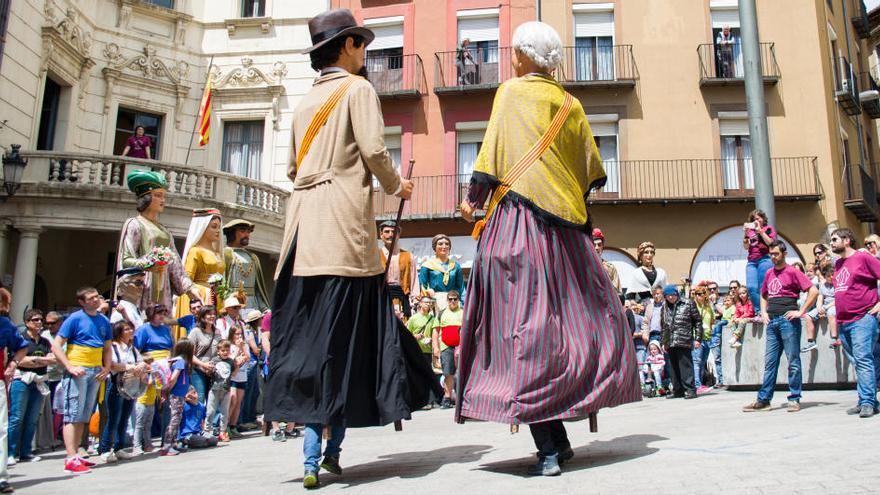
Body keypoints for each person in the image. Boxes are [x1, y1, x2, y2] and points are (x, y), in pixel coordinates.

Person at [456, 21, 640, 477]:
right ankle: (557, 436)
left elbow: (492, 151)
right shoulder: (571, 104)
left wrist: (473, 201)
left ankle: (550, 448)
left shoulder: (511, 93)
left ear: (522, 55)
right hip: (569, 231)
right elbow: (589, 170)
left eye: (513, 52)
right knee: (566, 329)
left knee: (523, 330)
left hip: (518, 225)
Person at [266, 9, 438, 489]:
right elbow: (374, 150)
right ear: (345, 47)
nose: (365, 51)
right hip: (342, 233)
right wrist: (397, 186)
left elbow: (291, 169)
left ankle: (308, 455)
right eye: (361, 43)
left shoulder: (305, 103)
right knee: (348, 343)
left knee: (309, 342)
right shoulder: (358, 90)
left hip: (301, 234)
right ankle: (330, 455)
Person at [743, 241, 817, 413]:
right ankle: (764, 400)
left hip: (788, 320)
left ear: (784, 253)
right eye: (771, 254)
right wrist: (763, 312)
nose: (773, 257)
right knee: (770, 362)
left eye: (776, 254)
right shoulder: (769, 273)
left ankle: (794, 398)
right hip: (772, 321)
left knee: (793, 361)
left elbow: (813, 291)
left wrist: (801, 312)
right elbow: (763, 294)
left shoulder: (792, 271)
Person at [117, 170, 202, 311]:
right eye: (158, 195)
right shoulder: (135, 224)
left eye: (164, 196)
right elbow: (126, 260)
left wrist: (190, 288)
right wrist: (148, 264)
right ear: (146, 197)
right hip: (143, 289)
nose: (163, 200)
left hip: (164, 291)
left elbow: (176, 267)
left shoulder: (165, 231)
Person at [50, 287, 112, 474]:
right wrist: (69, 366)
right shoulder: (75, 319)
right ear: (82, 302)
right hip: (79, 368)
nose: (95, 300)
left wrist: (107, 367)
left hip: (95, 369)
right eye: (91, 298)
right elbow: (56, 346)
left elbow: (107, 348)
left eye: (96, 297)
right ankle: (70, 457)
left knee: (84, 414)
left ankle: (76, 454)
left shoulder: (103, 321)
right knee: (73, 413)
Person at [829, 228, 880, 418]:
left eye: (835, 239)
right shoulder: (839, 263)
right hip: (844, 320)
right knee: (857, 363)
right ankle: (867, 400)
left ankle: (867, 402)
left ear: (847, 240)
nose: (832, 243)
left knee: (863, 359)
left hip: (862, 319)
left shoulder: (863, 258)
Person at [7, 309, 54, 465]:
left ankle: (26, 451)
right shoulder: (21, 338)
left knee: (32, 419)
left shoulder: (45, 341)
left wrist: (33, 360)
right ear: (27, 322)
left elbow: (53, 359)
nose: (39, 322)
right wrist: (40, 360)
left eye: (41, 320)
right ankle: (11, 452)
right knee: (17, 417)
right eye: (35, 320)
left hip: (39, 381)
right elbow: (19, 360)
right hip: (22, 380)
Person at [98, 321, 147, 463]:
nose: (131, 331)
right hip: (115, 385)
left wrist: (142, 365)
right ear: (119, 332)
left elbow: (141, 361)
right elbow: (112, 365)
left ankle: (119, 447)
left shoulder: (132, 348)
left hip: (130, 386)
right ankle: (105, 449)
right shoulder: (112, 347)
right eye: (127, 329)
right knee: (113, 418)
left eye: (131, 328)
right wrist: (131, 367)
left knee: (125, 417)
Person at [175, 209, 225, 338]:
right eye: (213, 227)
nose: (218, 230)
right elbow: (187, 279)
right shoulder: (195, 251)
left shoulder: (218, 254)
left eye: (219, 227)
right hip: (202, 297)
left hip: (218, 297)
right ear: (202, 227)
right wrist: (203, 293)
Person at [132, 304, 175, 452]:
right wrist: (145, 367)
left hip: (165, 370)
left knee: (166, 406)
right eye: (159, 313)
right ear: (151, 314)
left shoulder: (166, 330)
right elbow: (136, 350)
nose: (162, 315)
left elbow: (171, 348)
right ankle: (140, 442)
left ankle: (166, 440)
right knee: (145, 408)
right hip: (151, 370)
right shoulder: (144, 329)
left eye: (164, 312)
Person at [0, 288, 28, 493]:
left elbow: (21, 346)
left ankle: (1, 476)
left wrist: (12, 364)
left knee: (1, 429)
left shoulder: (4, 324)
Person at [660, 285, 700, 400]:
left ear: (677, 294)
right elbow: (663, 326)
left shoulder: (688, 303)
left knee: (685, 366)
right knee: (673, 367)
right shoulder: (664, 308)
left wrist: (697, 338)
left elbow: (697, 322)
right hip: (670, 341)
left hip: (684, 338)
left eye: (672, 294)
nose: (671, 297)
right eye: (668, 295)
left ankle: (690, 390)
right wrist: (663, 342)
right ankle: (678, 390)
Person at [223, 219, 270, 314]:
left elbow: (258, 289)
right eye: (242, 231)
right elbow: (221, 285)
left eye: (248, 232)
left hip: (253, 308)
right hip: (232, 307)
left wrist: (264, 308)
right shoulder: (225, 254)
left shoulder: (253, 258)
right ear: (232, 233)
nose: (247, 235)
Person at [160, 339, 194, 456]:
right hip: (176, 395)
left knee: (177, 419)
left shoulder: (179, 360)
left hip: (179, 395)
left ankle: (173, 444)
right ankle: (166, 446)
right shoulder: (180, 362)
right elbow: (174, 378)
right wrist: (167, 390)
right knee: (174, 420)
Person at [379, 220, 419, 317]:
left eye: (394, 232)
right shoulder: (375, 256)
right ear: (381, 234)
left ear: (398, 235)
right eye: (387, 231)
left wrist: (415, 300)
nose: (390, 235)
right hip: (381, 298)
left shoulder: (408, 256)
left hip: (402, 298)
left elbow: (414, 280)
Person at [432, 290, 463, 409]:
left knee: (462, 373)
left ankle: (462, 398)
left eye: (455, 299)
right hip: (446, 347)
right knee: (448, 373)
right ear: (447, 300)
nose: (453, 301)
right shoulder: (441, 313)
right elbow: (436, 330)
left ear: (458, 299)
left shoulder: (463, 312)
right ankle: (447, 398)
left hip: (461, 347)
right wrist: (435, 347)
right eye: (450, 299)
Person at [419, 234, 465, 311]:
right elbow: (423, 285)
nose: (444, 246)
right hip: (435, 300)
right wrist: (428, 293)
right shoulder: (427, 265)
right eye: (440, 244)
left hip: (452, 300)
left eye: (447, 244)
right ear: (434, 247)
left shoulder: (455, 266)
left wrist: (463, 304)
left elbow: (461, 287)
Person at [742, 209, 776, 310]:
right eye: (753, 219)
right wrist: (745, 235)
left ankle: (765, 310)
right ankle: (758, 310)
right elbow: (746, 247)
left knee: (763, 286)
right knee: (751, 287)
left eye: (758, 218)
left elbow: (770, 243)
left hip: (764, 259)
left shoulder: (768, 228)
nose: (756, 221)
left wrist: (760, 231)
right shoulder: (750, 231)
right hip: (751, 261)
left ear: (763, 219)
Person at [801, 263, 840, 353]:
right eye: (828, 276)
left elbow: (838, 299)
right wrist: (819, 308)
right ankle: (811, 341)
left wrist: (825, 308)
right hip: (824, 306)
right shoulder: (823, 285)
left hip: (834, 305)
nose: (831, 277)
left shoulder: (838, 285)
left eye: (832, 275)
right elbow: (820, 298)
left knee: (831, 313)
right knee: (808, 316)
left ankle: (834, 338)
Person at [187, 306, 220, 403]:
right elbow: (189, 354)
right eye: (209, 314)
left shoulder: (217, 332)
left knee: (212, 401)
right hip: (197, 370)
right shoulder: (195, 332)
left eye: (214, 314)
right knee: (199, 398)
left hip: (213, 371)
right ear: (203, 316)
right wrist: (204, 365)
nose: (212, 316)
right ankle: (198, 418)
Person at [206, 339, 236, 442]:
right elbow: (208, 372)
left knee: (224, 412)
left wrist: (237, 364)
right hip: (214, 389)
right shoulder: (214, 360)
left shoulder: (231, 361)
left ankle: (223, 431)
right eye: (223, 350)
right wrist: (209, 370)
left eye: (227, 350)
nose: (225, 352)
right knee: (210, 410)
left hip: (226, 389)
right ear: (218, 351)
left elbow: (233, 373)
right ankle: (207, 431)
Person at [238, 309, 264, 429]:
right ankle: (245, 419)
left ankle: (251, 417)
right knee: (248, 392)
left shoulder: (254, 331)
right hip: (251, 363)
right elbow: (255, 349)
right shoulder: (250, 332)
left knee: (254, 392)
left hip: (253, 363)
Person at [691, 284, 716, 392]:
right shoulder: (693, 306)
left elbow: (712, 321)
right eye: (696, 294)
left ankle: (700, 383)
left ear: (705, 295)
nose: (698, 296)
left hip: (707, 337)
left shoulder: (708, 307)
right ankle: (697, 385)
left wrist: (711, 331)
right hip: (697, 337)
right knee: (696, 361)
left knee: (703, 362)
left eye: (700, 294)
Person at [226, 326, 250, 439]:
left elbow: (248, 358)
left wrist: (242, 348)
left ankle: (233, 425)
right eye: (236, 334)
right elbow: (231, 361)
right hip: (233, 377)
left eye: (240, 334)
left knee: (238, 402)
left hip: (242, 375)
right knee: (233, 399)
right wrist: (237, 349)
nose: (239, 336)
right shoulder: (230, 347)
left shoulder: (244, 345)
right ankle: (225, 426)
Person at [592, 228, 621, 294]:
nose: (597, 248)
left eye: (599, 245)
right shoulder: (584, 267)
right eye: (594, 245)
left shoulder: (610, 267)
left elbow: (617, 292)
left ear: (602, 246)